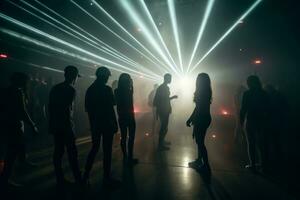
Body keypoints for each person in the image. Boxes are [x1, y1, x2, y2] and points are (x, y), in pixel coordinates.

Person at [0, 72, 38, 188]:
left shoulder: (7, 90)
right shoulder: (17, 92)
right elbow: (22, 111)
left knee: (20, 144)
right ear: (22, 81)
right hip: (14, 124)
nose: (28, 82)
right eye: (27, 80)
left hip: (9, 123)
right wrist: (32, 124)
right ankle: (5, 179)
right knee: (12, 152)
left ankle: (23, 161)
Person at [83, 66, 120, 187]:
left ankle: (86, 175)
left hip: (96, 124)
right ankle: (106, 178)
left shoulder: (90, 90)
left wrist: (92, 123)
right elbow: (112, 106)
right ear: (104, 76)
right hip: (107, 124)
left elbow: (88, 109)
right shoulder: (107, 89)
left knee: (94, 148)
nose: (107, 79)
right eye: (107, 77)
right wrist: (114, 123)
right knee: (107, 151)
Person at [48, 66, 82, 188]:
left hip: (56, 125)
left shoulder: (55, 88)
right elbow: (67, 110)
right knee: (72, 153)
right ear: (74, 76)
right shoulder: (71, 90)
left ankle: (60, 179)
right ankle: (78, 179)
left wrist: (51, 124)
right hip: (66, 126)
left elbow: (50, 108)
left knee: (58, 152)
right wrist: (71, 128)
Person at [240, 75, 269, 172]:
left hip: (251, 120)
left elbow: (243, 109)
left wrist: (241, 121)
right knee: (261, 144)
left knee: (251, 143)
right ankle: (263, 165)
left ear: (250, 83)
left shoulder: (247, 93)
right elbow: (268, 109)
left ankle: (252, 164)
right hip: (262, 121)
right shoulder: (263, 93)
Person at [186, 73, 212, 174]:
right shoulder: (206, 91)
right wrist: (192, 119)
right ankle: (199, 160)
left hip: (201, 118)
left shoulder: (202, 92)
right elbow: (198, 108)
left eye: (198, 78)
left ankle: (206, 165)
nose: (196, 80)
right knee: (199, 141)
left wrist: (191, 119)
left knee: (200, 142)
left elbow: (198, 108)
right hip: (204, 118)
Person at [114, 73, 138, 165]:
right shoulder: (128, 91)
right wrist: (132, 84)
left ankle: (125, 156)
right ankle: (130, 157)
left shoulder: (117, 91)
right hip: (130, 117)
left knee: (123, 137)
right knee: (131, 137)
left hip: (122, 117)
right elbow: (131, 94)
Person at [153, 74, 178, 151]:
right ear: (166, 79)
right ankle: (160, 144)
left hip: (163, 110)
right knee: (163, 127)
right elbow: (163, 100)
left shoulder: (163, 87)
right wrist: (173, 97)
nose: (171, 80)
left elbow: (164, 99)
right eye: (170, 78)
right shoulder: (163, 88)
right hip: (163, 110)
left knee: (164, 127)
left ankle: (162, 141)